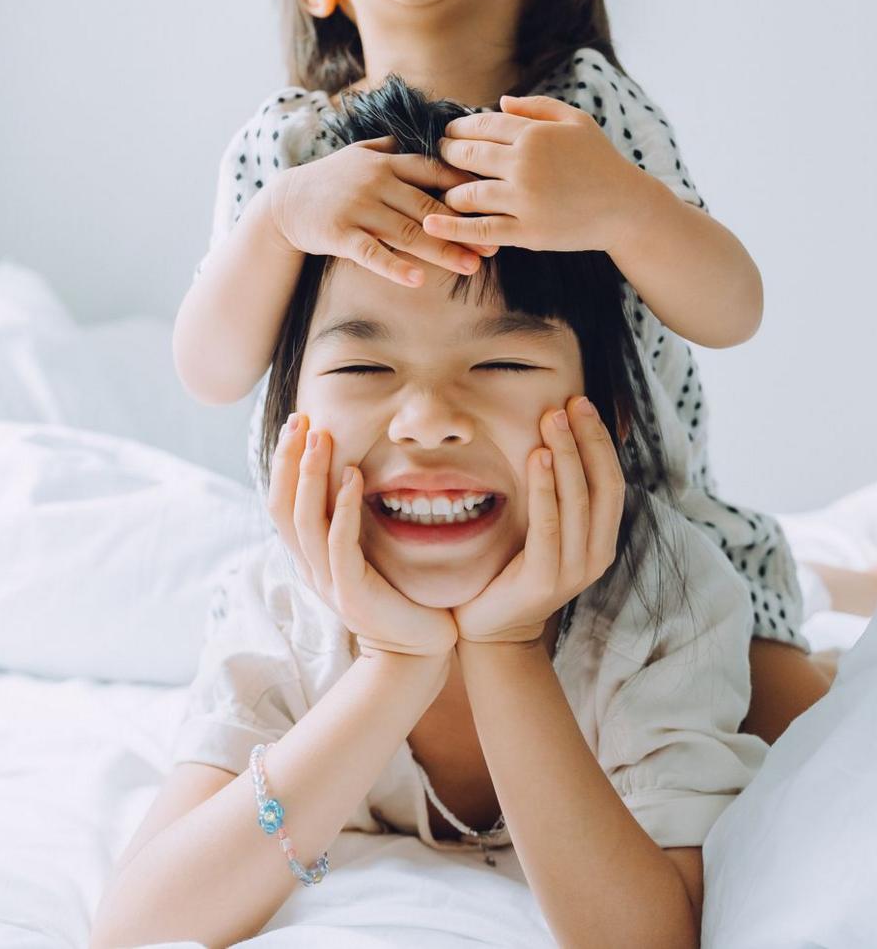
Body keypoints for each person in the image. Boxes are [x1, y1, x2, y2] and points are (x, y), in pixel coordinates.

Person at [172, 0, 826, 743]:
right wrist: (279, 222)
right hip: (389, 551)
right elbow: (209, 369)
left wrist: (619, 208)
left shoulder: (586, 115)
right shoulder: (290, 148)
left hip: (627, 556)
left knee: (816, 734)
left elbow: (731, 308)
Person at [94, 79, 768, 948]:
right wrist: (392, 662)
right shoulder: (283, 603)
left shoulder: (664, 605)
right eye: (365, 371)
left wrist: (507, 647)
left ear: (613, 416)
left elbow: (648, 937)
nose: (429, 419)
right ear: (287, 421)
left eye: (502, 366)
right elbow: (139, 924)